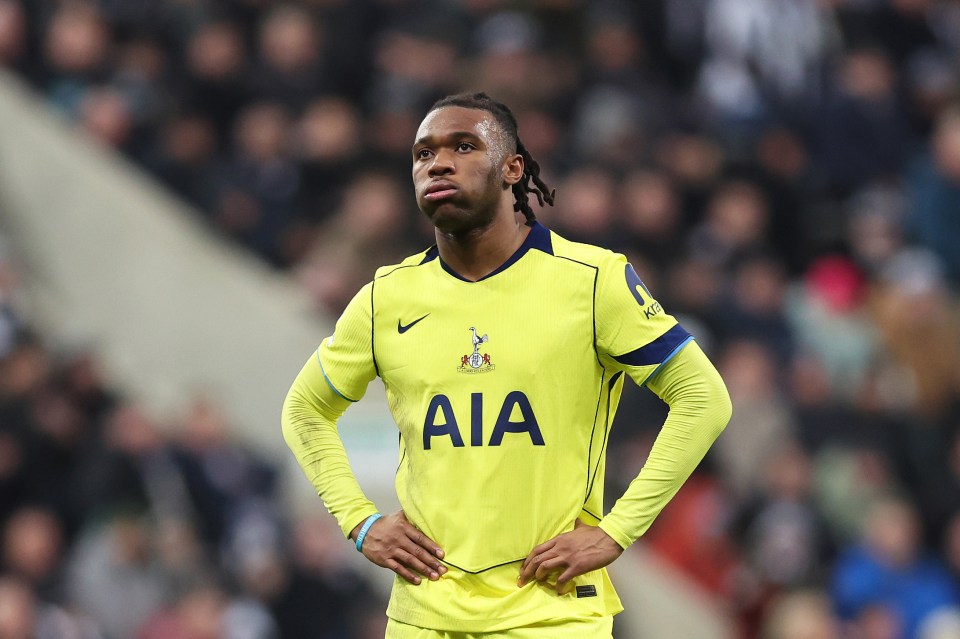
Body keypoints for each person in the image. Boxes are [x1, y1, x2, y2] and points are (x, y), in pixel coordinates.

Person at [282, 92, 732, 638]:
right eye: (424, 154)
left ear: (513, 168)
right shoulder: (386, 299)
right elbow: (304, 409)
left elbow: (704, 398)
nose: (439, 162)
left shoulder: (591, 282)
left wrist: (617, 531)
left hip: (551, 614)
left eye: (464, 146)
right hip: (423, 617)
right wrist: (360, 521)